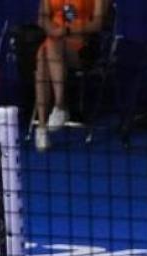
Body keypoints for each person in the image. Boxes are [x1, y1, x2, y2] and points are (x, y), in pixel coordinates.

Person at [33, 0, 113, 151]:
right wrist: (53, 31)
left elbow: (98, 23)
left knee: (49, 48)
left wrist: (68, 30)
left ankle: (59, 106)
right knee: (44, 54)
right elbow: (42, 18)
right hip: (54, 40)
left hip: (83, 47)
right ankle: (44, 126)